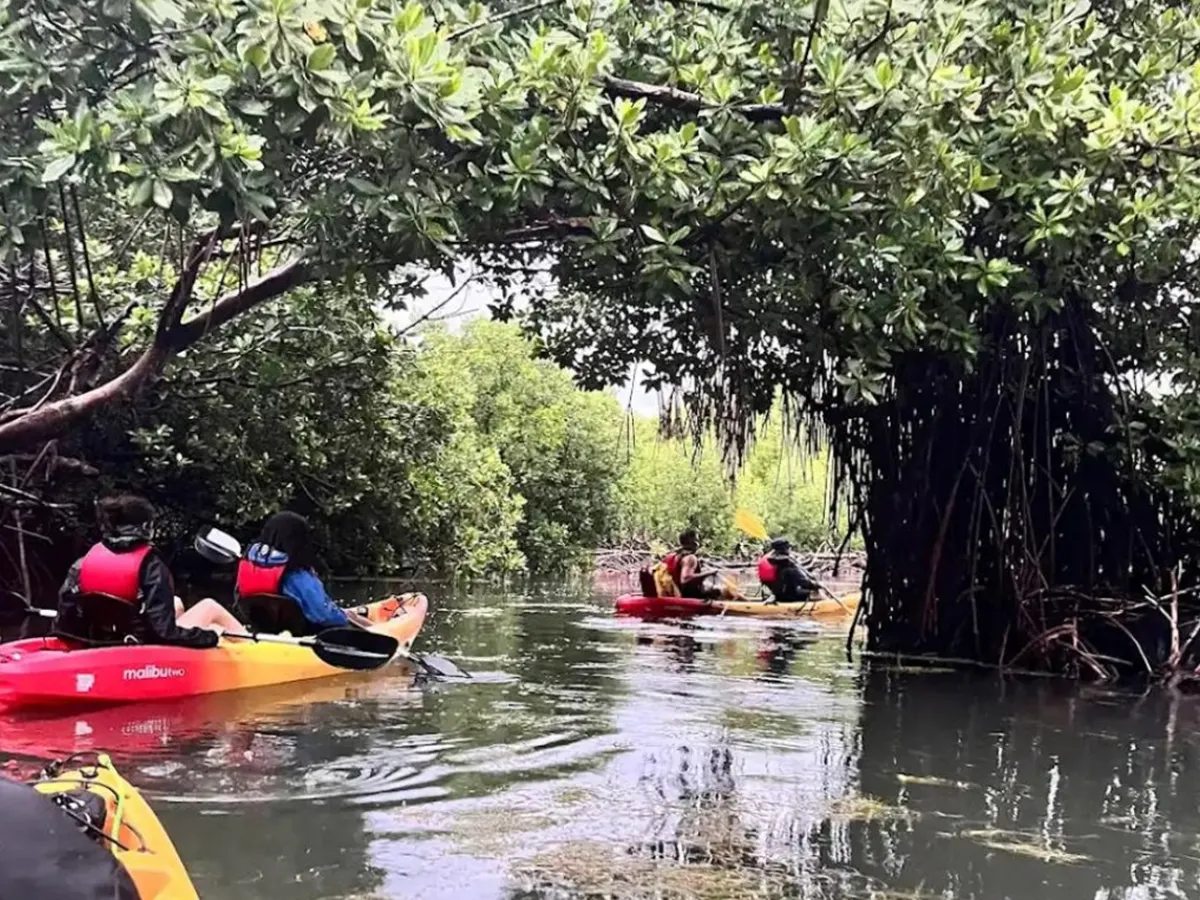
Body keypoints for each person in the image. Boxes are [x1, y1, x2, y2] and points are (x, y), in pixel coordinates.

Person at [56, 494, 241, 648]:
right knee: (209, 606)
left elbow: (65, 616)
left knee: (175, 602)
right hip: (145, 647)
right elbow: (163, 634)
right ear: (145, 527)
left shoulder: (84, 561)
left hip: (102, 640)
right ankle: (256, 651)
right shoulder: (151, 567)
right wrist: (209, 637)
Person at [234, 511, 373, 636]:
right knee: (352, 620)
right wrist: (346, 616)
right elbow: (324, 616)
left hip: (266, 633)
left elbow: (239, 602)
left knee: (349, 615)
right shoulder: (297, 574)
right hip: (309, 638)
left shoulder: (248, 565)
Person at [662, 528, 722, 601]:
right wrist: (709, 573)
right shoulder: (690, 558)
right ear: (693, 542)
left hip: (674, 594)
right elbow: (685, 579)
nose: (698, 543)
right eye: (696, 540)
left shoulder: (672, 556)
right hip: (686, 597)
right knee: (718, 592)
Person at [757, 537, 821, 603]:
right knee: (814, 592)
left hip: (778, 594)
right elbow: (805, 583)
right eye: (789, 548)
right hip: (789, 597)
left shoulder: (775, 562)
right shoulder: (788, 566)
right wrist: (818, 585)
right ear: (786, 549)